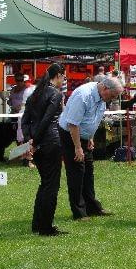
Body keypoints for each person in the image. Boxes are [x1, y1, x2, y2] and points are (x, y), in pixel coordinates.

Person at [58, 77, 123, 221]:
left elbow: (94, 119)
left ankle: (93, 208)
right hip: (71, 136)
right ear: (105, 88)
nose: (112, 99)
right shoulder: (83, 96)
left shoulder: (101, 96)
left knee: (88, 172)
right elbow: (72, 124)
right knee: (76, 173)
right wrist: (77, 147)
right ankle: (79, 212)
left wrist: (90, 137)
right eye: (112, 96)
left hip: (84, 136)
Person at [21, 63, 66, 236]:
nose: (64, 80)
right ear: (59, 75)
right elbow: (47, 120)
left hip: (39, 143)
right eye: (64, 77)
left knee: (44, 184)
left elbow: (24, 121)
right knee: (51, 186)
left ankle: (37, 223)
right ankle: (46, 226)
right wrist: (34, 141)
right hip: (51, 143)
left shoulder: (35, 94)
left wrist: (29, 140)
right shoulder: (55, 94)